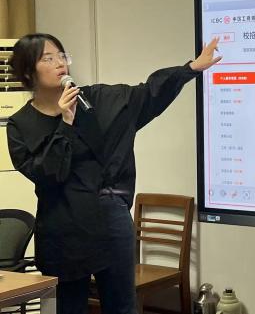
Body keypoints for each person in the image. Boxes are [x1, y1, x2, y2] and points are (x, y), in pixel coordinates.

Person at [6, 33, 221, 314]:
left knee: (121, 306)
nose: (60, 63)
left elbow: (146, 94)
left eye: (62, 55)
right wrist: (65, 123)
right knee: (66, 307)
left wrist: (189, 69)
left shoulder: (96, 99)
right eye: (48, 58)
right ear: (27, 71)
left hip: (108, 218)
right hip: (61, 227)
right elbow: (47, 173)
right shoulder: (20, 125)